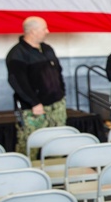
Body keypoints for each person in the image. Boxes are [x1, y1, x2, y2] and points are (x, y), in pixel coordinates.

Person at [6, 16, 66, 155]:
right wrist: (34, 102)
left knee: (57, 145)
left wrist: (62, 93)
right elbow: (17, 82)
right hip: (34, 109)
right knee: (31, 146)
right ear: (33, 31)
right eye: (44, 28)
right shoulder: (17, 53)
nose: (47, 31)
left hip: (57, 106)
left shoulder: (47, 49)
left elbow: (58, 72)